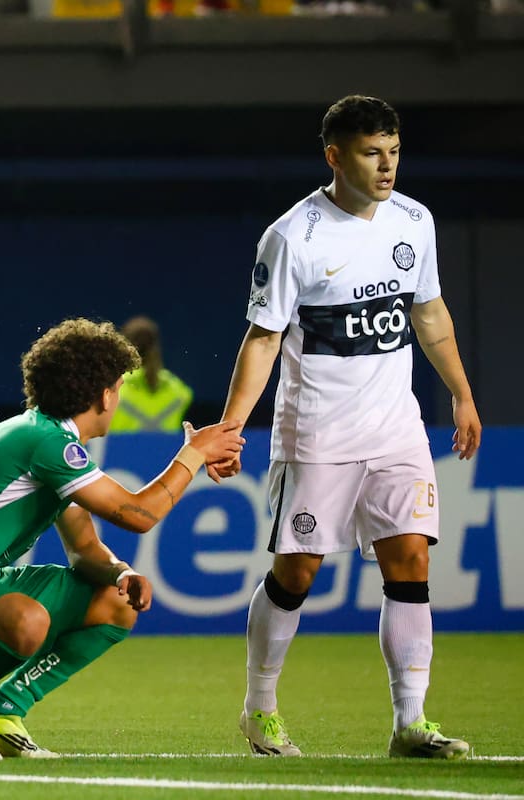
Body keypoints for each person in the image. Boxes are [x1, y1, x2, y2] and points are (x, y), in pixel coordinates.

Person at [212, 95, 481, 759]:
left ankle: (411, 723)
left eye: (393, 150)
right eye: (371, 152)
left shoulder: (414, 221)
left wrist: (463, 394)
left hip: (396, 430)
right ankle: (260, 707)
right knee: (297, 572)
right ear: (335, 155)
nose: (386, 164)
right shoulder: (292, 236)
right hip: (317, 436)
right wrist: (231, 427)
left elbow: (430, 314)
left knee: (411, 559)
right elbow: (263, 339)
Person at [0, 318, 244, 759]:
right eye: (119, 387)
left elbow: (86, 550)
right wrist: (194, 453)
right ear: (105, 394)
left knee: (115, 602)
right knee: (27, 621)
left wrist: (121, 572)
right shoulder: (45, 442)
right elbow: (140, 514)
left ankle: (6, 710)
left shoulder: (45, 437)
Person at [108, 315, 193, 433]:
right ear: (155, 346)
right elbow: (186, 395)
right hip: (168, 451)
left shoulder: (113, 385)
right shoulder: (179, 390)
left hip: (119, 450)